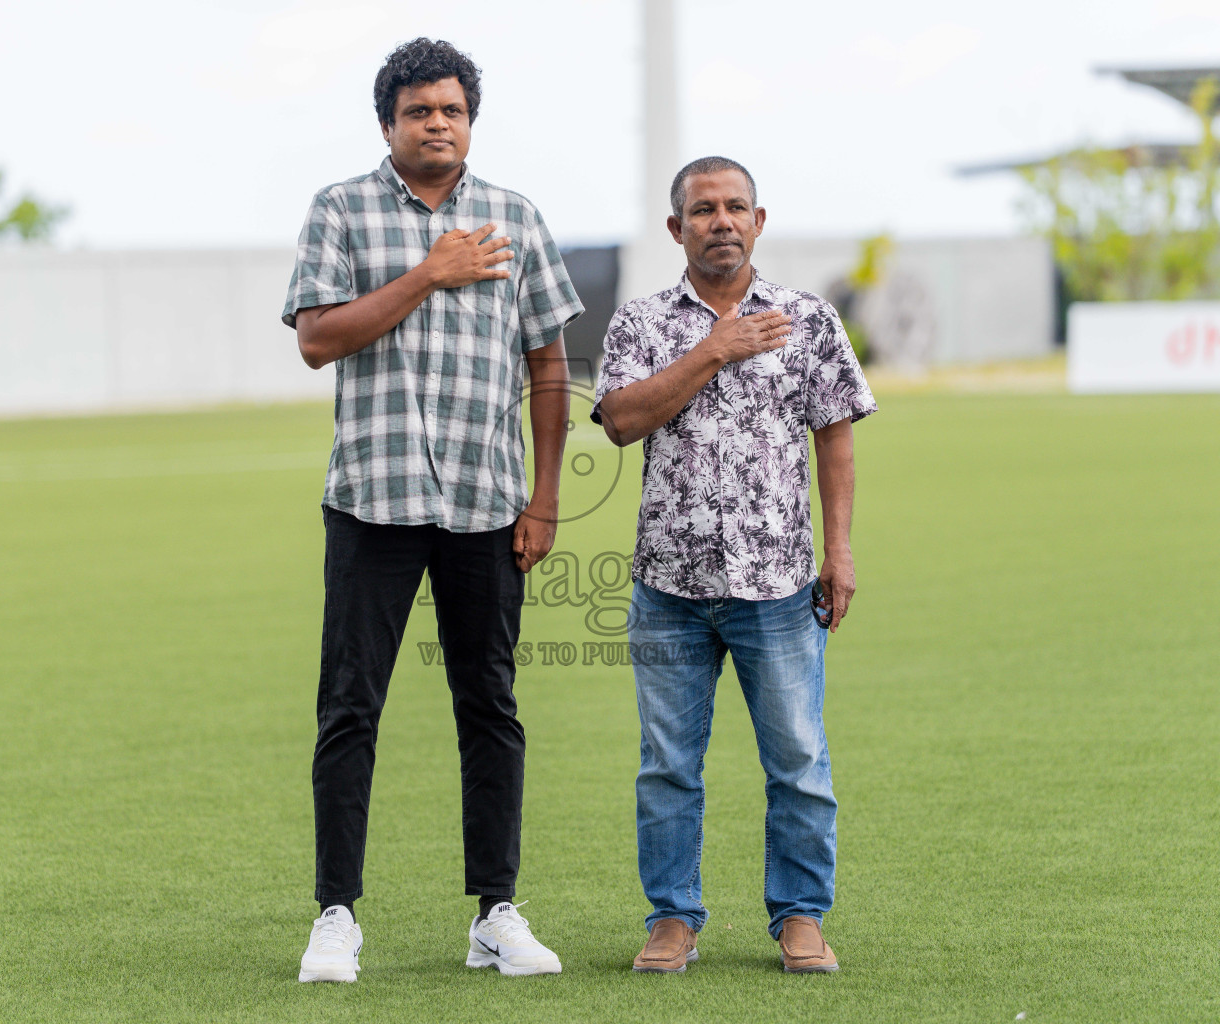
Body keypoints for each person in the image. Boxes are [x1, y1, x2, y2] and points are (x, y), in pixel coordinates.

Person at [282, 38, 583, 983]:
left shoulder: (514, 218)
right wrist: (427, 273)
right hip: (372, 499)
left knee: (489, 705)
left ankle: (496, 913)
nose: (437, 124)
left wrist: (544, 498)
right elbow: (316, 340)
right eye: (418, 111)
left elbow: (548, 365)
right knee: (350, 707)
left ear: (470, 122)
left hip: (486, 502)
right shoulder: (341, 209)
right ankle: (336, 915)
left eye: (451, 110)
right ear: (388, 124)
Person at [592, 156, 876, 974]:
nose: (722, 220)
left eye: (736, 207)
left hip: (778, 584)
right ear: (675, 227)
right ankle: (672, 919)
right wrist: (714, 350)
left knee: (798, 760)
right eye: (704, 209)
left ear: (758, 221)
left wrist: (840, 551)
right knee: (667, 768)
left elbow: (835, 438)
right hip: (669, 586)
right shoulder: (640, 324)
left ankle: (801, 916)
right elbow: (620, 421)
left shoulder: (807, 318)